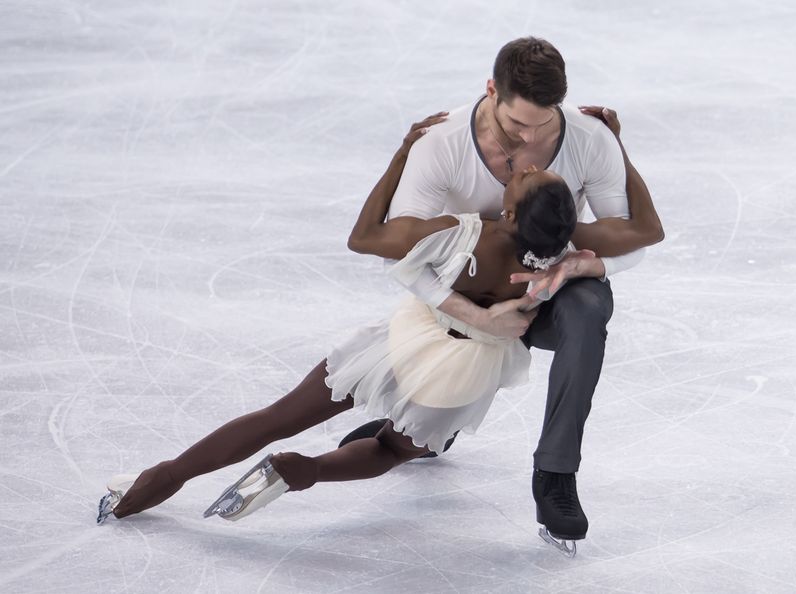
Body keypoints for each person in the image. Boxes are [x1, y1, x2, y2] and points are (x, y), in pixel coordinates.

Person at [98, 106, 660, 556]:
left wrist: (401, 155)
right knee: (391, 449)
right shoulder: (558, 258)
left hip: (401, 345)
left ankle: (163, 478)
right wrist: (616, 147)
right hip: (463, 379)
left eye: (529, 178)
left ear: (509, 215)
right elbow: (647, 229)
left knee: (279, 415)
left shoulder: (465, 234)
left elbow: (364, 237)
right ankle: (304, 471)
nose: (527, 167)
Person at [337, 37, 664, 548]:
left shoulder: (589, 137)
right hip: (468, 291)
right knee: (460, 328)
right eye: (517, 124)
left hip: (551, 288)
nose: (529, 138)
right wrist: (469, 312)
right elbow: (395, 252)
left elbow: (634, 237)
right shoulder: (442, 143)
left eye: (542, 123)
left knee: (587, 309)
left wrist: (586, 264)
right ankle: (428, 430)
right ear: (491, 90)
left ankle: (555, 472)